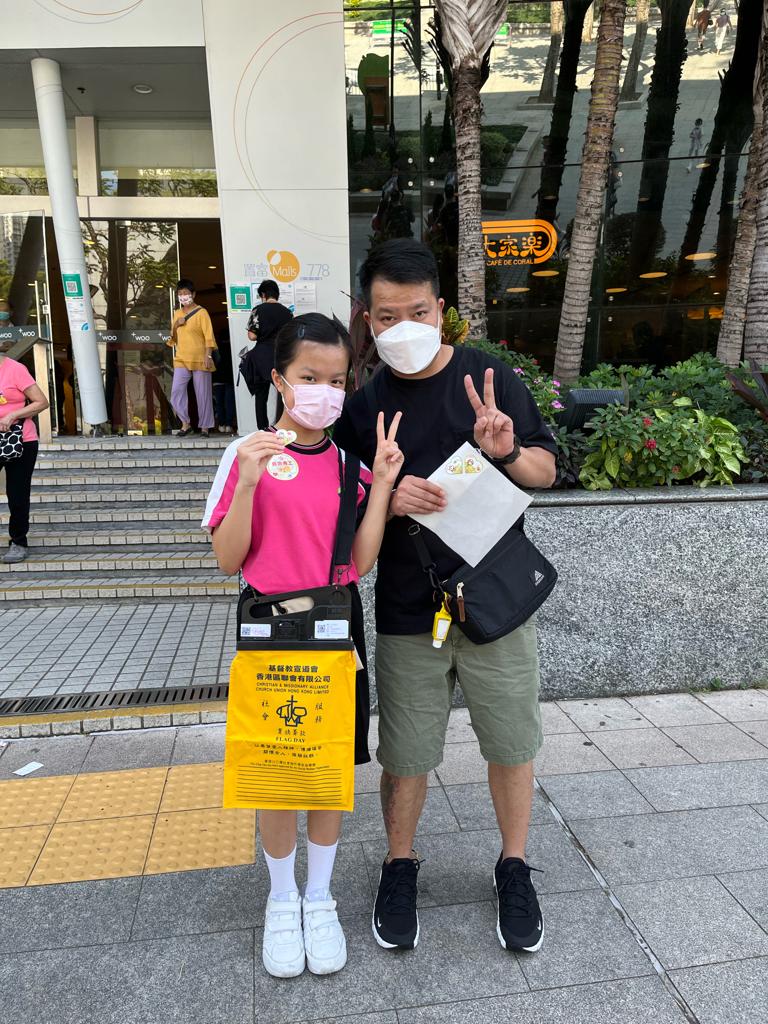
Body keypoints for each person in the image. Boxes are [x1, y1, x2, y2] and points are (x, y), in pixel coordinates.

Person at [333, 239, 558, 955]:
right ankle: (399, 865)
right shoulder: (362, 407)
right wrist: (386, 498)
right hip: (410, 608)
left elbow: (546, 470)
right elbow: (344, 521)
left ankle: (514, 866)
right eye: (387, 315)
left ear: (441, 310)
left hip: (496, 604)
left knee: (512, 743)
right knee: (405, 754)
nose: (403, 327)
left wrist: (506, 451)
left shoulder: (488, 378)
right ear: (367, 319)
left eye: (418, 312)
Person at [203, 312, 404, 978]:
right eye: (310, 376)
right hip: (270, 639)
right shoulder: (245, 455)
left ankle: (320, 898)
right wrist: (250, 482)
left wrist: (381, 484)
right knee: (276, 776)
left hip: (332, 636)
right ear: (280, 379)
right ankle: (281, 899)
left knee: (325, 773)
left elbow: (359, 564)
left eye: (338, 380)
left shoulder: (349, 466)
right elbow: (228, 559)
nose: (325, 391)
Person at [0, 334, 49, 563]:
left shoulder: (15, 369)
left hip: (20, 439)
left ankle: (18, 542)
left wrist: (13, 415)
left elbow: (41, 402)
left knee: (17, 493)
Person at [167, 279, 217, 437]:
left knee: (203, 394)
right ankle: (185, 423)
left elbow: (209, 336)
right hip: (181, 358)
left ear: (193, 294)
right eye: (180, 293)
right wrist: (176, 325)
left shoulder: (202, 312)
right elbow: (172, 339)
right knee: (176, 392)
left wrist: (208, 355)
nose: (183, 296)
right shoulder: (177, 313)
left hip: (201, 358)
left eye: (186, 293)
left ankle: (205, 427)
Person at [246, 280, 293, 430]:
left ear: (263, 294)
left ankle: (263, 430)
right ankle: (285, 428)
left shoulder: (257, 310)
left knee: (261, 397)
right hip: (280, 355)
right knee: (284, 393)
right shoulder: (287, 313)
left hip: (261, 356)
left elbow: (252, 336)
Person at [212, 325, 236, 434]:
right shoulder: (232, 347)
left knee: (219, 403)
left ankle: (221, 424)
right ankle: (229, 425)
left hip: (217, 378)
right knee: (229, 402)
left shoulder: (215, 349)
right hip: (229, 378)